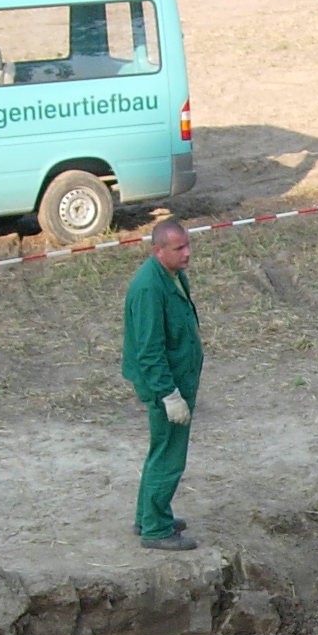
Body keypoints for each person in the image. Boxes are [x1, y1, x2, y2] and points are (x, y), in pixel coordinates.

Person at [122, 217, 203, 550]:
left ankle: (149, 516)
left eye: (187, 245)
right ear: (158, 251)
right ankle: (156, 530)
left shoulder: (172, 275)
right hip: (164, 385)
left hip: (176, 379)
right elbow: (149, 349)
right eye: (178, 248)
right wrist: (169, 394)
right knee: (169, 455)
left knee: (161, 449)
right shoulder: (149, 288)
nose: (187, 253)